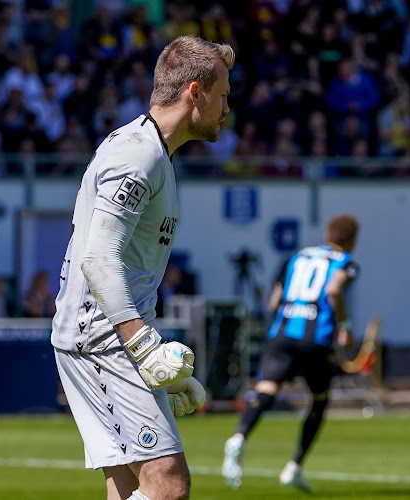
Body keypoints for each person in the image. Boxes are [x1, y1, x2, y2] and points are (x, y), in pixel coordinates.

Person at [51, 36, 234, 500]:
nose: (227, 108)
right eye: (224, 94)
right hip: (103, 339)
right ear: (196, 92)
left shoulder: (155, 154)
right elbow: (98, 257)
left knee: (128, 487)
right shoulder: (139, 153)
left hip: (110, 337)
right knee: (168, 485)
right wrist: (144, 346)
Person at [222, 215, 360, 491]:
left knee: (266, 389)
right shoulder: (345, 261)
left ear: (326, 234)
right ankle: (294, 466)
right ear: (352, 240)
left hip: (283, 333)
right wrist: (344, 325)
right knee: (319, 400)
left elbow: (275, 299)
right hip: (315, 339)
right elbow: (333, 289)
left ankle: (238, 437)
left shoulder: (295, 257)